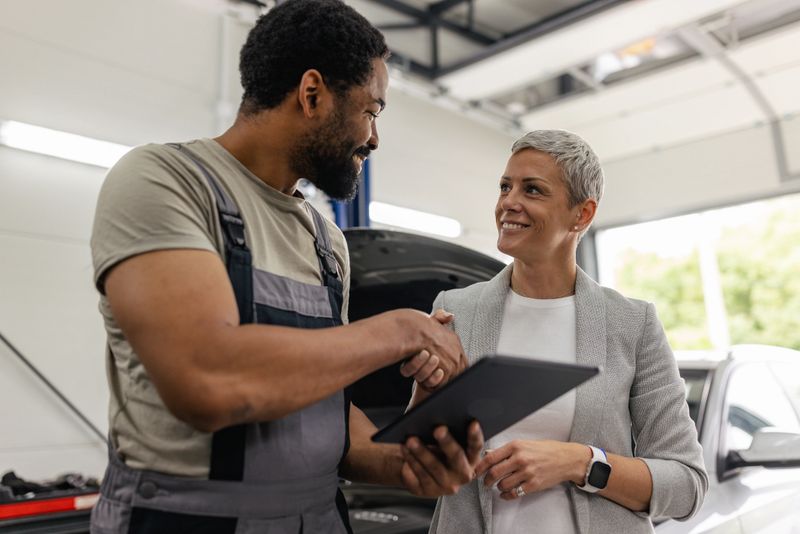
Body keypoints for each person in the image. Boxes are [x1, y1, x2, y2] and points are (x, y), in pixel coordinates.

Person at [88, 1, 483, 532]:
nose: (374, 138)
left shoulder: (325, 241)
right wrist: (401, 330)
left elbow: (323, 411)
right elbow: (206, 380)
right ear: (313, 93)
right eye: (371, 110)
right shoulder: (165, 181)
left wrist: (409, 458)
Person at [415, 130, 708, 534]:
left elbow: (687, 485)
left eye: (532, 190)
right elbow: (417, 461)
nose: (508, 203)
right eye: (505, 186)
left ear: (582, 214)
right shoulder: (456, 310)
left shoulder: (631, 324)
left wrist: (580, 462)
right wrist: (426, 387)